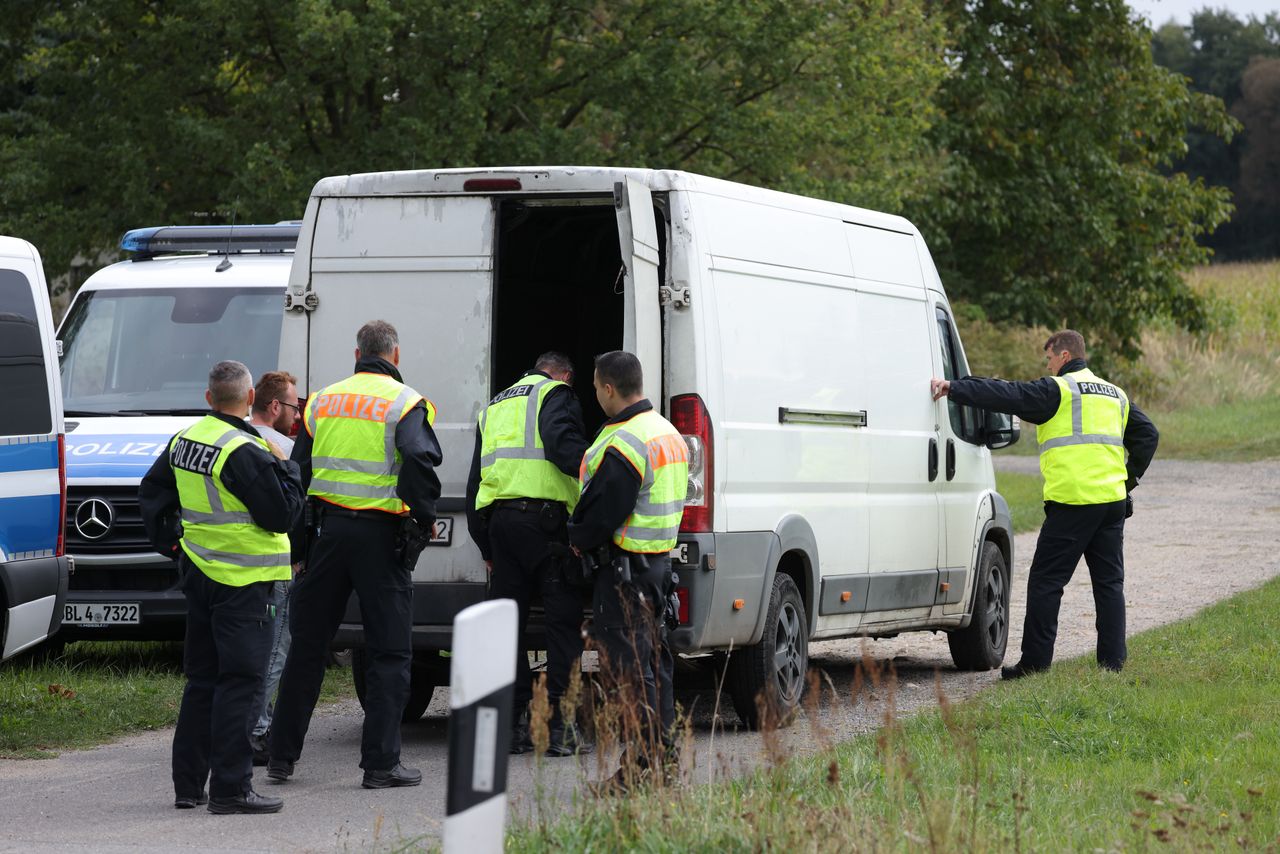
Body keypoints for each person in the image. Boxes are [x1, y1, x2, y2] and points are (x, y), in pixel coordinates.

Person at [267, 320, 442, 789]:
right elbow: (418, 460)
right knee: (388, 652)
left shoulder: (321, 401)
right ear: (396, 356)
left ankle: (281, 757)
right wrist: (423, 517)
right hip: (381, 540)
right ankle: (381, 765)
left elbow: (296, 475)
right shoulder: (406, 402)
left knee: (306, 647)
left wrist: (299, 548)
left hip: (326, 535)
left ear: (356, 353)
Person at [929, 329, 1158, 679]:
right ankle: (1112, 664)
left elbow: (1008, 394)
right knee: (1109, 584)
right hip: (1111, 503)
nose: (1048, 365)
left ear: (1064, 356)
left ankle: (1035, 664)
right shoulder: (1116, 394)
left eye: (1049, 358)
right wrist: (1128, 479)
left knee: (1046, 583)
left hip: (1073, 503)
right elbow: (1148, 435)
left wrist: (955, 387)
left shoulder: (1059, 391)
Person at [139, 360, 303, 814]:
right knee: (241, 683)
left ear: (208, 397)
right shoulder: (248, 451)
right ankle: (232, 789)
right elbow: (281, 516)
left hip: (201, 575)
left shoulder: (185, 439)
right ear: (251, 399)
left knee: (203, 681)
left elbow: (152, 494)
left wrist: (175, 547)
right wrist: (288, 468)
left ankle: (189, 787)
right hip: (245, 583)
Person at [568, 351, 688, 792]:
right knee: (655, 669)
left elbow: (601, 513)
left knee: (630, 675)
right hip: (656, 570)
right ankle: (662, 762)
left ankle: (638, 772)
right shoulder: (666, 431)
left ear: (607, 388)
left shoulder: (626, 442)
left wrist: (574, 536)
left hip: (624, 574)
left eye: (596, 387)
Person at [465, 352, 591, 757]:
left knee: (507, 629)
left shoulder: (496, 404)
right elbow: (560, 445)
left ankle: (511, 727)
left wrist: (485, 544)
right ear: (566, 375)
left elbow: (475, 481)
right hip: (548, 527)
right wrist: (596, 467)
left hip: (502, 527)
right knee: (560, 625)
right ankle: (562, 729)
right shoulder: (557, 394)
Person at [246, 370, 302, 764]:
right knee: (275, 649)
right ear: (276, 405)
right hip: (274, 564)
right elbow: (292, 510)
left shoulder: (233, 436)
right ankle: (258, 729)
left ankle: (236, 725)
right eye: (294, 407)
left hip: (228, 566)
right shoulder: (282, 447)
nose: (297, 415)